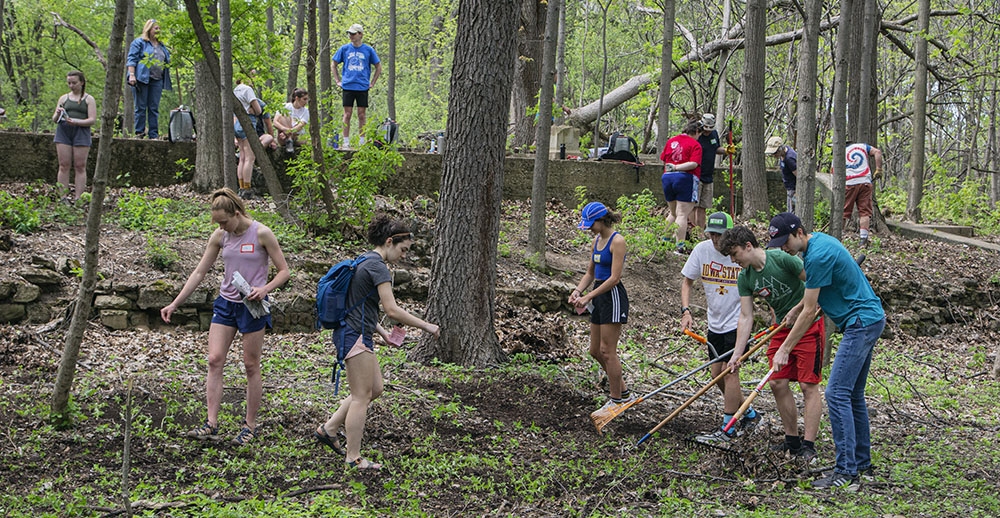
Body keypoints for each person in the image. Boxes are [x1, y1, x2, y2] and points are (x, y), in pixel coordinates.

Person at [160, 188, 290, 446]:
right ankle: (211, 423)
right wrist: (175, 303)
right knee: (214, 359)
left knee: (251, 365)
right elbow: (199, 272)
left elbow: (284, 271)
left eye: (224, 221)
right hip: (226, 304)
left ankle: (249, 426)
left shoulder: (262, 233)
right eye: (217, 223)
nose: (221, 226)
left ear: (237, 213)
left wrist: (264, 289)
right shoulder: (220, 236)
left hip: (252, 306)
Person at [766, 212, 885, 489]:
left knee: (836, 392)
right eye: (779, 243)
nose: (784, 247)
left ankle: (846, 472)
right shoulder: (818, 245)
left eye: (786, 241)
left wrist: (785, 347)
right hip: (869, 319)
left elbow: (811, 312)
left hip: (860, 322)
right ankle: (862, 464)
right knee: (853, 394)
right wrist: (795, 310)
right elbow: (812, 299)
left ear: (799, 232)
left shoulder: (817, 255)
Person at [315, 216, 440, 470]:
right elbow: (392, 309)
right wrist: (426, 325)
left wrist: (382, 333)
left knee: (375, 389)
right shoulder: (378, 267)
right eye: (403, 249)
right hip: (354, 335)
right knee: (361, 396)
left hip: (357, 332)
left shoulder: (364, 260)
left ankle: (328, 429)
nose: (403, 256)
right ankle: (353, 457)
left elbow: (359, 305)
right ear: (390, 241)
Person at [719, 225, 824, 462]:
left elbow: (815, 282)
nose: (734, 260)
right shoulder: (745, 278)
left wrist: (800, 310)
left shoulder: (782, 259)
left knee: (808, 386)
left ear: (748, 246)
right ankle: (792, 440)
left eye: (735, 254)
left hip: (808, 325)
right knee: (777, 383)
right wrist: (737, 354)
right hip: (781, 329)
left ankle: (808, 445)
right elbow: (746, 316)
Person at [679, 212, 759, 444]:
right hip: (715, 322)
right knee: (717, 375)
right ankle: (749, 414)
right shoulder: (702, 250)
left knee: (730, 371)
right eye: (712, 235)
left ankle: (728, 427)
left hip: (739, 321)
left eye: (720, 235)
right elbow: (687, 281)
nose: (716, 240)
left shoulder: (740, 255)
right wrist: (686, 311)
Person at [568, 202, 632, 410]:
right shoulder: (597, 240)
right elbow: (590, 273)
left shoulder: (617, 241)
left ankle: (616, 401)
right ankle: (623, 392)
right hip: (599, 295)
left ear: (602, 220)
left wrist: (588, 297)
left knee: (607, 351)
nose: (588, 228)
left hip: (612, 296)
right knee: (595, 350)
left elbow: (614, 278)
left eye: (591, 224)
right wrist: (578, 291)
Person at [332, 23, 381, 148]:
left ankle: (362, 142)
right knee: (347, 114)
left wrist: (372, 83)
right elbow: (334, 64)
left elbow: (378, 67)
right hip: (348, 85)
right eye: (350, 34)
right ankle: (346, 141)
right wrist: (337, 80)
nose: (351, 36)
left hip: (362, 86)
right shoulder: (344, 49)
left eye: (353, 34)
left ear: (360, 34)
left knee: (361, 114)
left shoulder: (368, 50)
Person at [52, 70, 96, 202]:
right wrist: (58, 113)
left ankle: (78, 197)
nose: (71, 85)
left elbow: (92, 119)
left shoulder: (89, 99)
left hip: (81, 132)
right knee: (64, 164)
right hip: (64, 131)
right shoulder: (64, 98)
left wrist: (77, 121)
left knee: (80, 165)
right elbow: (55, 119)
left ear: (81, 82)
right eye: (69, 83)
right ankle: (63, 197)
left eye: (74, 83)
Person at [660, 120, 703, 252]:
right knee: (682, 214)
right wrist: (678, 167)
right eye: (699, 134)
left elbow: (664, 159)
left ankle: (665, 241)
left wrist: (672, 168)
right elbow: (694, 164)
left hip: (667, 178)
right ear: (696, 132)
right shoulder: (695, 145)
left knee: (673, 213)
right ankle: (680, 246)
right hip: (685, 178)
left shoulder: (671, 141)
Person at [126, 19, 172, 139]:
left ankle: (153, 135)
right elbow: (131, 59)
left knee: (153, 108)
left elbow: (166, 60)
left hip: (157, 79)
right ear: (149, 29)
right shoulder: (139, 43)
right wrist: (131, 75)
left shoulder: (162, 45)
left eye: (159, 29)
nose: (158, 31)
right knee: (140, 106)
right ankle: (139, 133)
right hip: (141, 79)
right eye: (156, 28)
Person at [233, 79, 275, 199]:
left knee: (242, 158)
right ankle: (247, 190)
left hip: (238, 124)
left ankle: (241, 187)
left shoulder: (236, 90)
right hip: (247, 122)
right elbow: (258, 110)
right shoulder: (248, 89)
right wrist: (254, 109)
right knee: (249, 158)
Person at [693, 114, 733, 230]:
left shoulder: (714, 134)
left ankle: (700, 231)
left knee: (703, 206)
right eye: (705, 130)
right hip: (696, 175)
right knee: (694, 206)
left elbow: (716, 149)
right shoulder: (697, 135)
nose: (707, 132)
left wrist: (726, 150)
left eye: (709, 130)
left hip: (708, 175)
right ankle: (692, 230)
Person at [842, 142, 883, 247]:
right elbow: (877, 152)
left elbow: (834, 173)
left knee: (843, 212)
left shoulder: (840, 152)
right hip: (865, 181)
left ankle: (838, 237)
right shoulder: (863, 146)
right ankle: (863, 240)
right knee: (864, 212)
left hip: (849, 183)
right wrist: (879, 169)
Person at [765, 136, 797, 212]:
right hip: (789, 187)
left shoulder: (789, 158)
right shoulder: (783, 155)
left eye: (775, 153)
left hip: (793, 189)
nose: (774, 155)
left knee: (791, 211)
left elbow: (798, 175)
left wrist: (797, 192)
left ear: (781, 149)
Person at [275, 88, 310, 152]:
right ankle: (289, 140)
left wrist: (288, 133)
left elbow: (300, 125)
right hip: (283, 138)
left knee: (311, 141)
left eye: (307, 99)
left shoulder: (306, 111)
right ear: (297, 98)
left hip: (296, 137)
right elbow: (275, 122)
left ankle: (290, 139)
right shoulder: (285, 106)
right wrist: (284, 129)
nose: (306, 102)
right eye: (304, 99)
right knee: (284, 115)